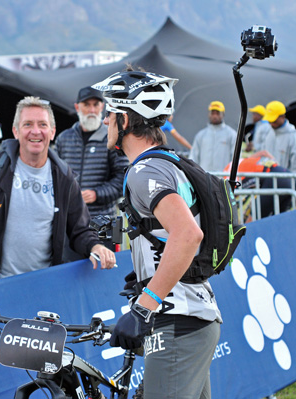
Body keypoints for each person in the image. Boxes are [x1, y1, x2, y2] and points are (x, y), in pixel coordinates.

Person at [93, 69, 222, 399]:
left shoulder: (144, 170)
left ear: (124, 120)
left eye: (109, 114)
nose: (105, 121)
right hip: (192, 318)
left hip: (177, 321)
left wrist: (143, 306)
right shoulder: (168, 161)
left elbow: (187, 235)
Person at [0, 96, 116, 288]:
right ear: (16, 131)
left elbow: (79, 229)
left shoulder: (64, 178)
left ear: (52, 132)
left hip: (43, 286)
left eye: (42, 124)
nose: (35, 131)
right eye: (28, 124)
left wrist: (95, 246)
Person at [54, 86, 128, 250]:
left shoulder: (113, 138)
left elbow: (123, 179)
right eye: (87, 105)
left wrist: (96, 194)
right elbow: (54, 176)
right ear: (77, 107)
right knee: (70, 271)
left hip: (105, 221)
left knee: (106, 270)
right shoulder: (63, 139)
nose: (92, 109)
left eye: (96, 104)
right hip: (70, 220)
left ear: (102, 107)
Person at [224, 156, 293, 219]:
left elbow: (230, 199)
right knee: (280, 219)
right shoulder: (245, 160)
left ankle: (247, 232)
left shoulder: (227, 178)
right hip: (286, 174)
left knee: (254, 218)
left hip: (274, 178)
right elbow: (264, 152)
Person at [262, 101, 296, 190]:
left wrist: (295, 189)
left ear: (282, 117)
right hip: (268, 186)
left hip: (286, 188)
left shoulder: (292, 136)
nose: (271, 123)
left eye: (274, 120)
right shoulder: (268, 134)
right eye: (269, 120)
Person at [189, 100, 237, 171]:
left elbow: (236, 159)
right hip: (204, 178)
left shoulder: (231, 134)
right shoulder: (201, 135)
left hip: (223, 179)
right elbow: (193, 157)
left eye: (218, 113)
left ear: (223, 114)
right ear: (209, 114)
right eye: (212, 113)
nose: (215, 116)